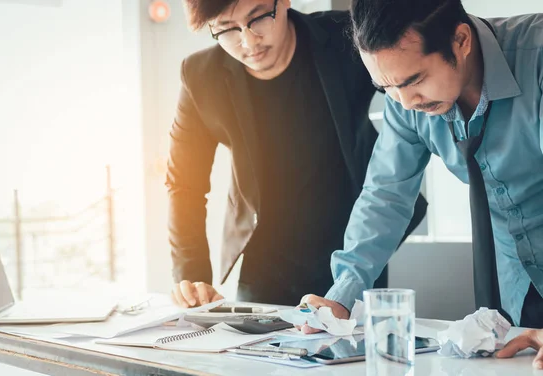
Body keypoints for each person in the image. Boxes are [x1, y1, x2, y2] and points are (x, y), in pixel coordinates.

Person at [300, 0, 543, 335]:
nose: (405, 101)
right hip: (519, 289)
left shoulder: (538, 55)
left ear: (461, 41)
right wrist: (342, 297)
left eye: (414, 79)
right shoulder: (404, 101)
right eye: (386, 87)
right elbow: (384, 196)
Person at [166, 0, 428, 307]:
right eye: (227, 29)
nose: (249, 41)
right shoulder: (201, 76)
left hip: (353, 248)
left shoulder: (346, 35)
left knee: (351, 351)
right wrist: (193, 277)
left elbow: (412, 86)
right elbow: (184, 184)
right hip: (265, 260)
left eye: (259, 17)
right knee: (258, 353)